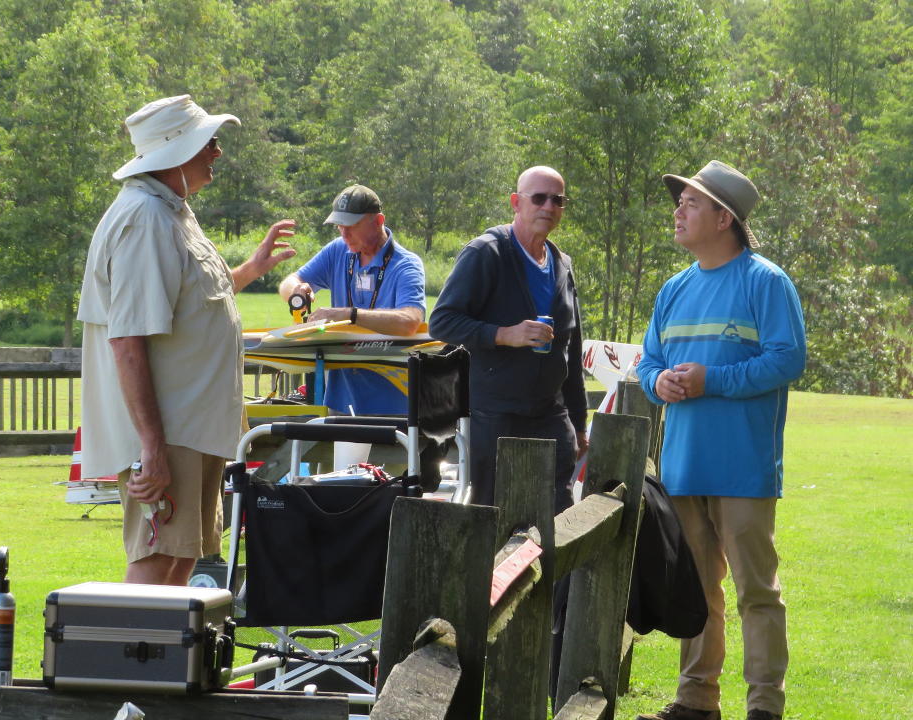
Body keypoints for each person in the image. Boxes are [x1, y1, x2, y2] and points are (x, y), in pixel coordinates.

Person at [77, 95, 297, 586]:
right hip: (170, 432)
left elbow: (192, 303)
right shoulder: (145, 220)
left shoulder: (169, 212)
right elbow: (127, 340)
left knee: (181, 560)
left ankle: (162, 664)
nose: (217, 152)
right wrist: (151, 448)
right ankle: (132, 664)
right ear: (177, 152)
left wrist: (251, 271)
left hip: (190, 430)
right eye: (209, 142)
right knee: (157, 563)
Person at [636, 161, 807, 720]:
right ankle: (696, 702)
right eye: (679, 200)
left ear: (724, 217)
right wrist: (658, 382)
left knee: (757, 593)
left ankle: (764, 708)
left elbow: (787, 359)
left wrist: (714, 381)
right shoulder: (673, 288)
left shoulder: (766, 281)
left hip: (742, 468)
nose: (678, 211)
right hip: (683, 468)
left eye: (690, 202)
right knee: (697, 592)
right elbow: (649, 362)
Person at [428, 166, 587, 513]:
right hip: (494, 415)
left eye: (557, 200)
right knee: (494, 517)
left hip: (550, 415)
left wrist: (579, 422)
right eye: (539, 198)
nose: (548, 206)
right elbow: (441, 322)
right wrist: (503, 335)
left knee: (556, 517)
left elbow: (571, 351)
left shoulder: (562, 264)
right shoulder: (487, 253)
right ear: (516, 202)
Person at [278, 184, 426, 415]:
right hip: (341, 399)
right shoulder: (338, 250)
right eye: (339, 226)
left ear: (378, 221)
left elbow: (409, 321)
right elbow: (289, 281)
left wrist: (349, 315)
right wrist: (297, 291)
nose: (344, 234)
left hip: (392, 404)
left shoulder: (406, 264)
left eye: (352, 226)